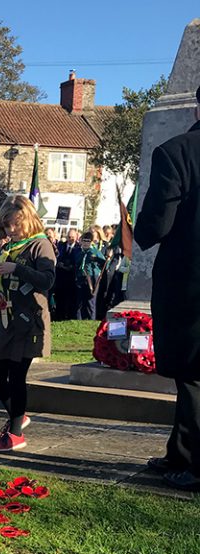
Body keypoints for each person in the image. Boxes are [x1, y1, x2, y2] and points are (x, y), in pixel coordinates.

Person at [134, 86, 200, 491]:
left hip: (190, 282)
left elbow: (156, 225)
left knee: (193, 375)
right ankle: (180, 452)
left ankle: (193, 464)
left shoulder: (178, 152)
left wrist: (137, 229)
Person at [0, 196, 55, 452]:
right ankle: (19, 416)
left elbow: (47, 280)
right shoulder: (7, 247)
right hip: (5, 320)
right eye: (6, 226)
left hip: (29, 323)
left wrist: (17, 269)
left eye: (15, 224)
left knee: (17, 376)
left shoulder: (40, 245)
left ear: (27, 219)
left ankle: (15, 434)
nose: (11, 230)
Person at [72, 232, 105, 320]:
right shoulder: (78, 252)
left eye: (88, 241)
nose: (86, 243)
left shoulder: (95, 251)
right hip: (80, 277)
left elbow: (105, 263)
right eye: (84, 241)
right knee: (80, 301)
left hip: (92, 277)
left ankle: (91, 319)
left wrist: (96, 260)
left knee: (91, 300)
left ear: (91, 242)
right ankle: (79, 320)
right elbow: (76, 263)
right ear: (81, 241)